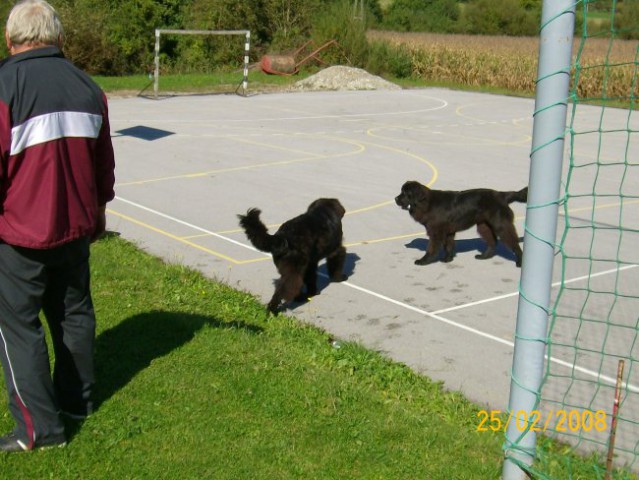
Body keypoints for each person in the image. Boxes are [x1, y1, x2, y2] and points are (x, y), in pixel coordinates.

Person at [0, 0, 115, 452]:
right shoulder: (88, 87)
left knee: (19, 325)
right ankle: (78, 401)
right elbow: (103, 163)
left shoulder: (5, 85)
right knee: (74, 314)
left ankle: (39, 429)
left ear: (11, 40)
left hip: (21, 234)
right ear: (58, 38)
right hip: (75, 228)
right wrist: (100, 212)